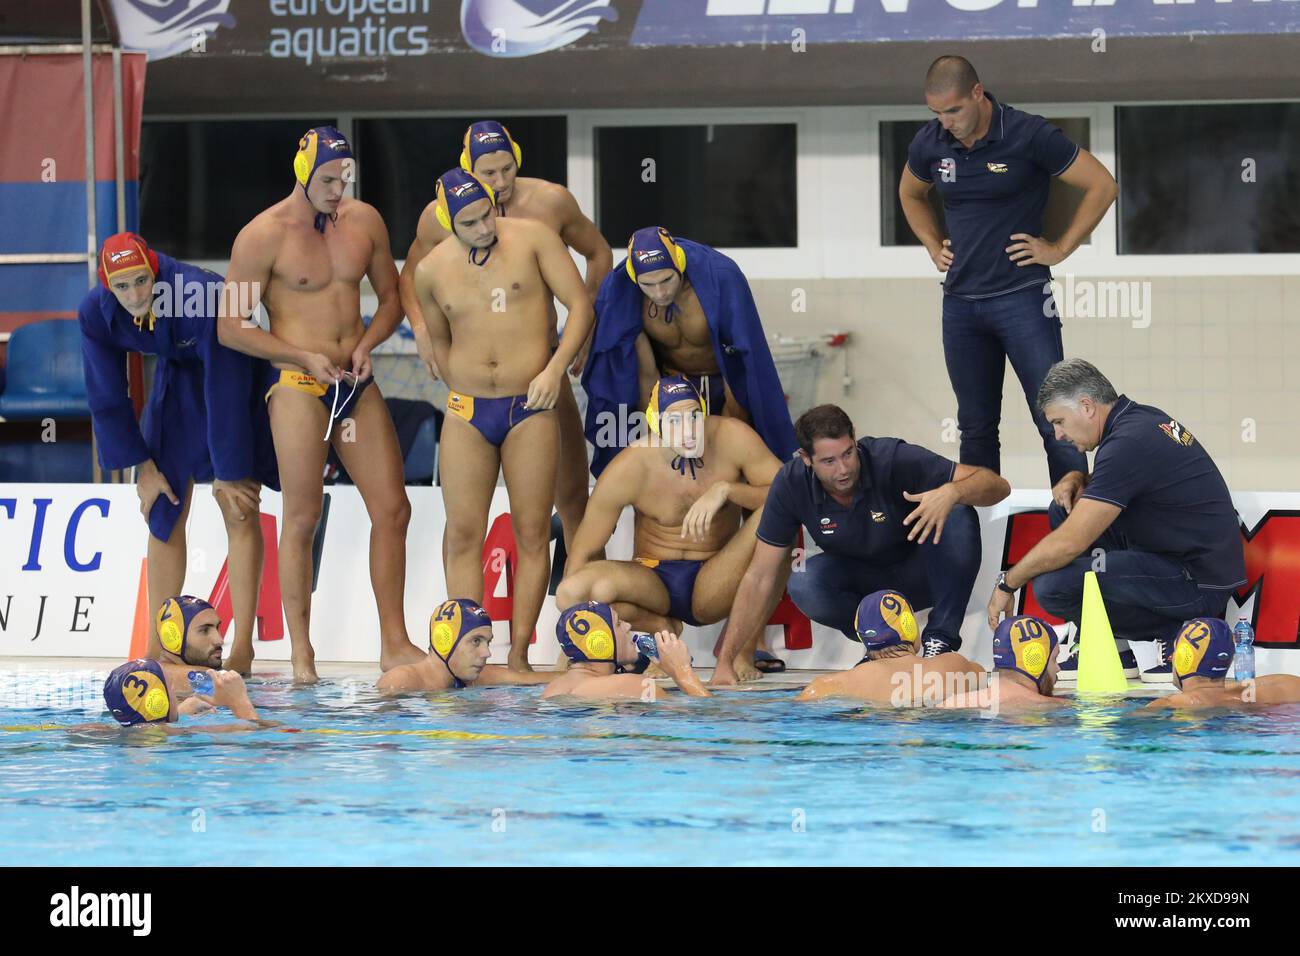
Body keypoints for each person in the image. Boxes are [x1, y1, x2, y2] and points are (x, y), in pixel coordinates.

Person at [218, 126, 425, 682]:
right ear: (303, 174)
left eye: (344, 180)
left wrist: (365, 343)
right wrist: (298, 356)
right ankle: (302, 656)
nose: (338, 191)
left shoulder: (364, 223)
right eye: (328, 181)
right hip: (299, 387)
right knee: (302, 516)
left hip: (354, 385)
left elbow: (391, 299)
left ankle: (395, 642)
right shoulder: (261, 237)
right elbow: (230, 327)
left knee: (393, 509)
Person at [898, 55, 1117, 486]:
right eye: (936, 113)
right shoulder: (930, 143)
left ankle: (1077, 536)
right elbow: (910, 194)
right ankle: (976, 540)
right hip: (960, 304)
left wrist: (1058, 248)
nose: (946, 122)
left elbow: (1103, 185)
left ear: (978, 93)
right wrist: (931, 244)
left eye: (954, 110)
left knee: (1057, 419)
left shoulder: (1027, 134)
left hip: (1022, 298)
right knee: (976, 428)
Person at [411, 167, 595, 671]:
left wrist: (555, 371)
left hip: (529, 403)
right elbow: (440, 337)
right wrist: (457, 383)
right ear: (449, 222)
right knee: (463, 533)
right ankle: (464, 658)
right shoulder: (430, 271)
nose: (485, 228)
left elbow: (580, 306)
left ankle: (517, 658)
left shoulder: (534, 239)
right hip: (468, 411)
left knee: (532, 532)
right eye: (470, 223)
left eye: (488, 213)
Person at [398, 121, 612, 551]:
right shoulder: (442, 216)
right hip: (474, 390)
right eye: (488, 174)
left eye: (506, 170)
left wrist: (585, 327)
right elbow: (409, 274)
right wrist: (421, 327)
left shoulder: (550, 202)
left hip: (540, 369)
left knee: (570, 492)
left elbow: (599, 253)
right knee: (464, 525)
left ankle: (585, 603)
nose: (499, 184)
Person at [80, 232, 277, 674]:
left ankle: (241, 648)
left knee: (239, 505)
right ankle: (158, 649)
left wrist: (229, 470)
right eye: (122, 286)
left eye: (141, 281)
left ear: (156, 271)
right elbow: (106, 394)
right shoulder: (95, 312)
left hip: (235, 371)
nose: (134, 295)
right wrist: (143, 465)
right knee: (163, 507)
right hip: (177, 379)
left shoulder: (197, 295)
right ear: (106, 286)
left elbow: (225, 384)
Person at [986, 359, 1247, 684]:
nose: (1059, 434)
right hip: (1180, 559)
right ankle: (1117, 646)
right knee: (1064, 508)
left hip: (1196, 583)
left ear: (1087, 406)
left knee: (1053, 588)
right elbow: (1133, 483)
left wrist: (1006, 584)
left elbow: (1071, 543)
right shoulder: (1140, 420)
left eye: (1059, 421)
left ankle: (1177, 631)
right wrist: (1081, 477)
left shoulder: (1128, 443)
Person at [711, 404, 1009, 686]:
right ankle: (881, 644)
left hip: (922, 572)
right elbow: (759, 576)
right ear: (805, 458)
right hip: (865, 586)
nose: (843, 469)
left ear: (855, 441)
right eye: (829, 461)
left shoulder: (891, 457)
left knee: (957, 512)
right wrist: (724, 663)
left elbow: (997, 486)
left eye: (848, 454)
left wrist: (952, 491)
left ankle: (939, 641)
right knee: (803, 580)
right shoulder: (790, 484)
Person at [557, 376, 781, 679]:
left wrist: (727, 491)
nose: (687, 431)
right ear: (656, 423)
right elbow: (583, 553)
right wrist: (573, 645)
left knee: (779, 515)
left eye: (693, 417)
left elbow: (788, 491)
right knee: (571, 591)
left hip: (715, 580)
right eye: (675, 421)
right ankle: (660, 629)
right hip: (653, 582)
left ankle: (742, 651)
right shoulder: (631, 465)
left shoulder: (732, 437)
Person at [583, 226, 796, 477]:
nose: (660, 292)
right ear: (634, 278)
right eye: (648, 285)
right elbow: (643, 374)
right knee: (672, 475)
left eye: (666, 280)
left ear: (679, 264)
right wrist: (656, 438)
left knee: (734, 463)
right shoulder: (626, 294)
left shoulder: (720, 277)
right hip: (671, 391)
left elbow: (738, 360)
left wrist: (734, 427)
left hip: (722, 378)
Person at [796, 590, 985, 705]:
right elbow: (984, 683)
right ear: (908, 625)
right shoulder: (955, 666)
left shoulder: (829, 685)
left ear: (861, 635)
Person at [377, 599, 557, 692]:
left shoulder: (471, 677)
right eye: (476, 641)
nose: (486, 653)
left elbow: (528, 680)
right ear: (444, 640)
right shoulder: (402, 680)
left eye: (488, 642)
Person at [541, 601, 710, 700]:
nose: (628, 626)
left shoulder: (551, 690)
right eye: (619, 623)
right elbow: (704, 718)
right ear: (600, 642)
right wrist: (682, 672)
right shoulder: (634, 685)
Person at [1145, 618, 1300, 710]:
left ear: (1182, 659)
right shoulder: (1251, 695)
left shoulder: (1168, 704)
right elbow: (1281, 682)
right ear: (1230, 659)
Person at [92, 658, 263, 734]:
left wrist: (177, 712)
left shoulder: (111, 730)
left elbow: (146, 725)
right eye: (169, 687)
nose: (173, 691)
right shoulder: (185, 733)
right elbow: (256, 735)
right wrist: (240, 703)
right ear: (157, 701)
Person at [939, 615, 1065, 711]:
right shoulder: (1052, 706)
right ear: (1035, 662)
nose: (1058, 668)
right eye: (1054, 659)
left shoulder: (952, 702)